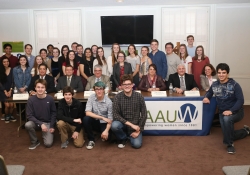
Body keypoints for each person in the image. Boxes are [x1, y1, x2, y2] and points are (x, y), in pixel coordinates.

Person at [203, 63, 250, 154]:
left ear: (227, 74)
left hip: (237, 111)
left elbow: (241, 100)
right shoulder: (215, 84)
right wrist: (206, 97)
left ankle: (229, 144)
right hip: (222, 112)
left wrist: (231, 111)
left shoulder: (235, 85)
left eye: (223, 73)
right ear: (217, 73)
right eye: (219, 73)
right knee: (227, 133)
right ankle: (246, 131)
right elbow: (209, 92)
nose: (221, 75)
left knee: (227, 119)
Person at [111, 74, 147, 149]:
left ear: (132, 85)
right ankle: (123, 137)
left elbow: (144, 114)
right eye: (124, 84)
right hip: (123, 125)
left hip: (135, 126)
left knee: (137, 145)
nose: (127, 86)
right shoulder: (117, 97)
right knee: (114, 125)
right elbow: (115, 115)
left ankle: (130, 136)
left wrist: (138, 130)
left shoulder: (139, 96)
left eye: (129, 84)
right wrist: (131, 124)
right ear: (121, 86)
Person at [25, 79, 57, 149]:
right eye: (38, 87)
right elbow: (29, 115)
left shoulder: (50, 99)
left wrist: (52, 126)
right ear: (35, 88)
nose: (40, 89)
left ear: (45, 88)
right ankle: (35, 141)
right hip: (36, 122)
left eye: (42, 87)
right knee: (28, 125)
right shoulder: (31, 100)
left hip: (47, 122)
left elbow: (53, 113)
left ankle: (47, 134)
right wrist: (41, 124)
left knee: (48, 144)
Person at [83, 81, 113, 150]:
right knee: (86, 119)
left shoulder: (109, 102)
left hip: (104, 123)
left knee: (107, 139)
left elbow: (110, 120)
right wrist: (102, 117)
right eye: (97, 89)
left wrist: (106, 131)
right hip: (95, 120)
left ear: (103, 90)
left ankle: (101, 133)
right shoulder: (91, 97)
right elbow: (87, 112)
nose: (99, 91)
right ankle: (91, 139)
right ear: (94, 90)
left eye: (101, 89)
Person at [0, 58, 16, 123]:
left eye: (7, 61)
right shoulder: (0, 70)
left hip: (11, 90)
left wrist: (10, 90)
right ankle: (7, 115)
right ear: (2, 63)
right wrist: (5, 91)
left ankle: (10, 115)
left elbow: (13, 81)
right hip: (2, 90)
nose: (6, 63)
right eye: (4, 62)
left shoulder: (12, 70)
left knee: (12, 105)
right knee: (7, 105)